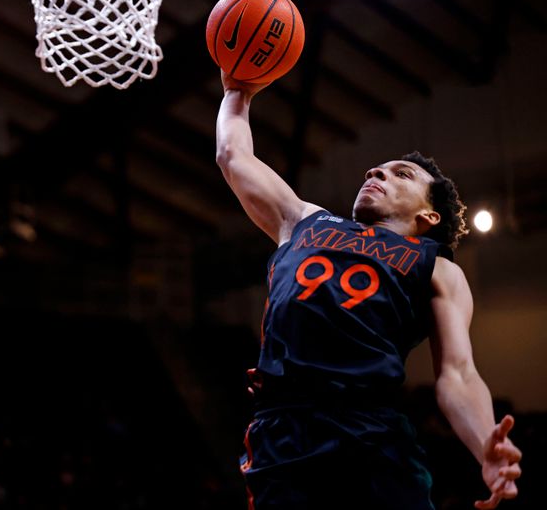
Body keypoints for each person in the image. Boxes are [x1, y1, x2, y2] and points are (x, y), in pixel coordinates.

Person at [215, 71, 522, 510]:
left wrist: (484, 449)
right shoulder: (304, 220)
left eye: (403, 174)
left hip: (370, 433)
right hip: (283, 431)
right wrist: (236, 91)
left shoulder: (434, 266)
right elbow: (233, 155)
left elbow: (458, 373)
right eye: (379, 167)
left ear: (429, 217)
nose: (377, 170)